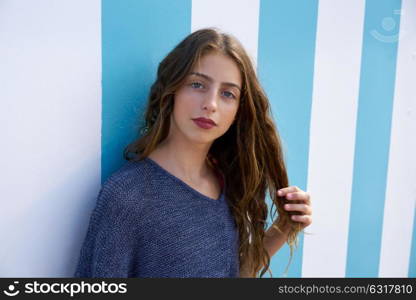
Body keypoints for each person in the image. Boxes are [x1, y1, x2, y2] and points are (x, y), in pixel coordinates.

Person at [74, 27, 312, 278]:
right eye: (197, 84)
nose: (211, 104)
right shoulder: (128, 197)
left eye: (228, 93)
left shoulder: (224, 182)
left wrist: (283, 228)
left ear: (238, 111)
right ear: (172, 90)